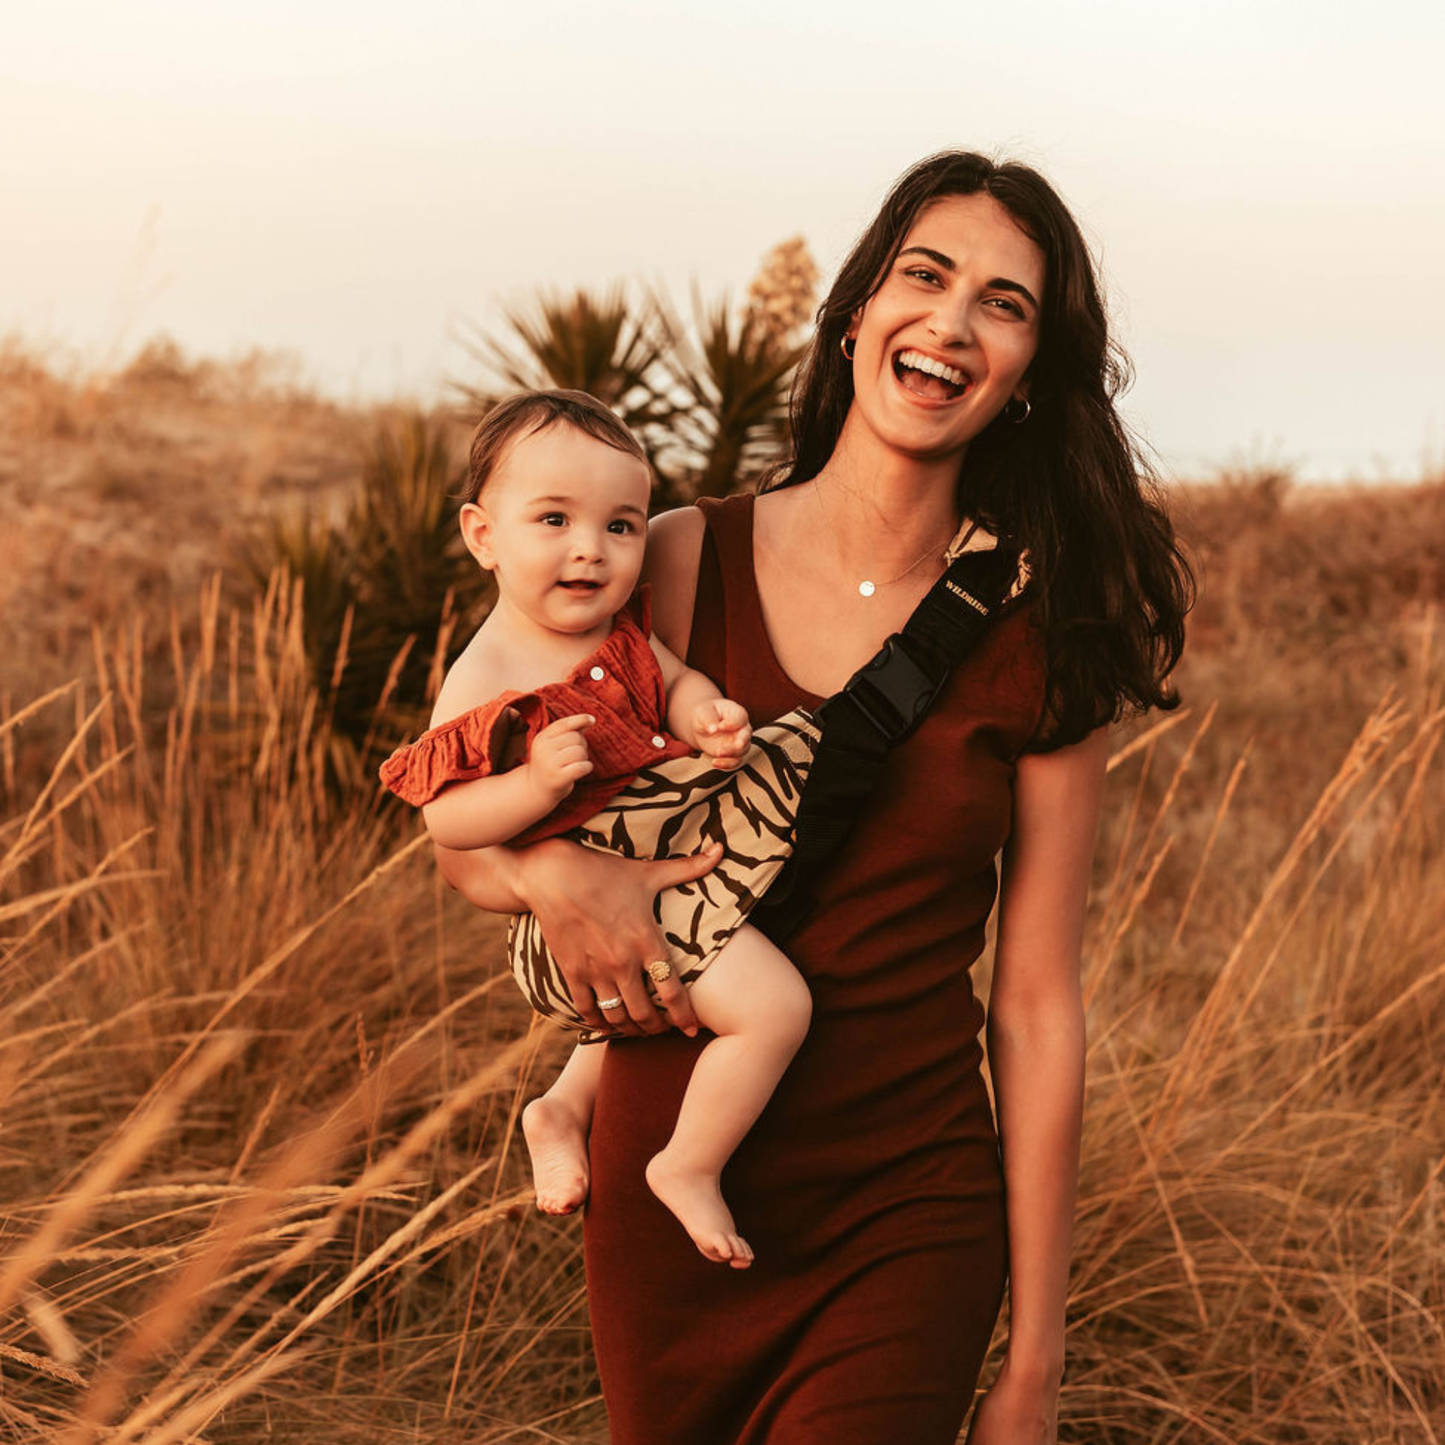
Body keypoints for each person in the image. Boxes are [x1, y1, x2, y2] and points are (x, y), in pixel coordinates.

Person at [434, 151, 1193, 1445]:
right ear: (855, 314)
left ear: (1027, 372)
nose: (951, 323)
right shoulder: (674, 557)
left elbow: (1036, 1004)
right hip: (668, 1199)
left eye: (1003, 304)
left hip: (905, 1209)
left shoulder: (1047, 628)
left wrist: (1036, 1360)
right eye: (924, 276)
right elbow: (475, 836)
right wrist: (561, 878)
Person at [379, 390, 824, 1268]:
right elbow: (446, 816)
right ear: (482, 536)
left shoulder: (618, 636)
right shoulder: (487, 673)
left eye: (621, 525)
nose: (590, 547)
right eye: (554, 519)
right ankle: (688, 1163)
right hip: (565, 917)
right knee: (775, 1009)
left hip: (642, 872)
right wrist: (531, 784)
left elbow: (675, 679)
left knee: (655, 986)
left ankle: (559, 1107)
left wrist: (707, 717)